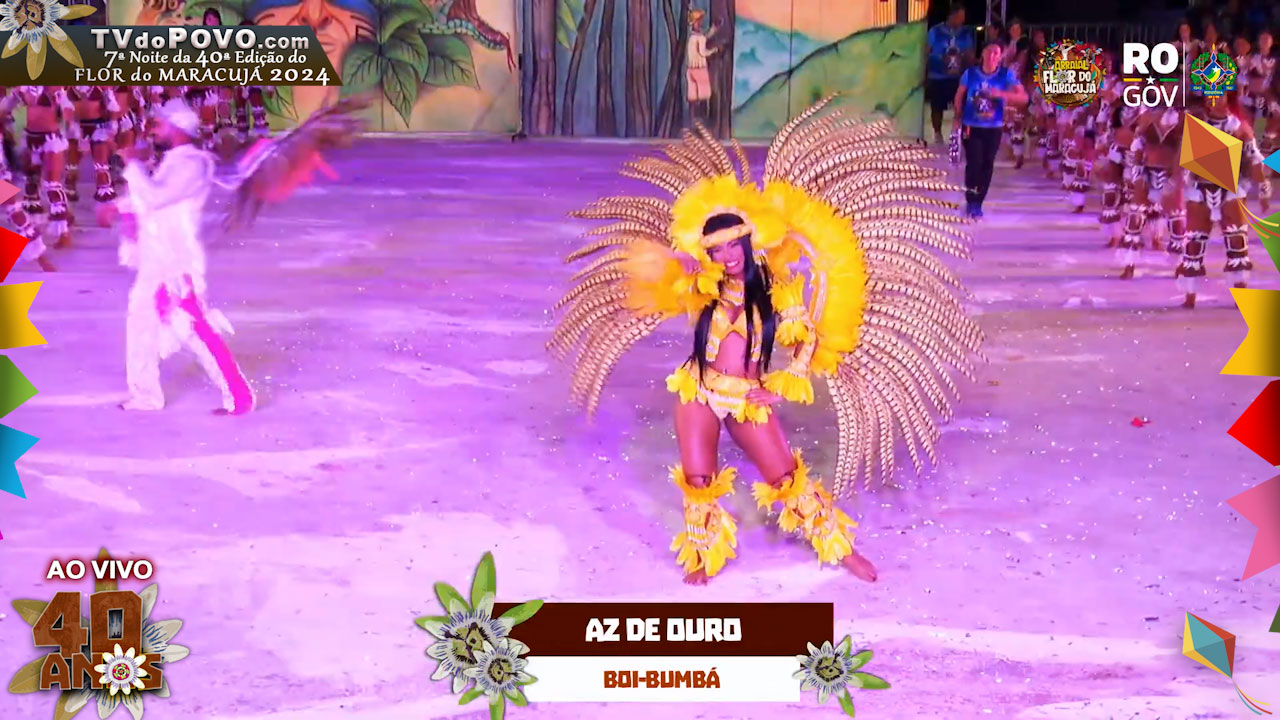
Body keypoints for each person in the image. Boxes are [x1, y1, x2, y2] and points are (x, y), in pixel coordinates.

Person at [552, 99, 982, 586]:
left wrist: (783, 384)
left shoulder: (777, 289)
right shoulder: (704, 283)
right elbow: (647, 272)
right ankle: (702, 553)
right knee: (698, 478)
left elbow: (808, 337)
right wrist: (682, 262)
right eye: (717, 250)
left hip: (746, 398)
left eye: (733, 246)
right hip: (698, 390)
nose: (727, 257)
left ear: (748, 242)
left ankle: (839, 547)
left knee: (785, 477)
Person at [109, 99, 255, 414]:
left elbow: (156, 197)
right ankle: (145, 396)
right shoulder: (174, 161)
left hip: (178, 264)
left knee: (194, 330)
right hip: (155, 260)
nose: (153, 131)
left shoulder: (193, 164)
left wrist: (133, 165)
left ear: (176, 127)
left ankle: (239, 395)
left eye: (159, 124)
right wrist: (120, 207)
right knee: (140, 325)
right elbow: (149, 200)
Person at [1178, 92, 1269, 308]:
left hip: (1231, 189)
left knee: (1236, 241)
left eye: (1220, 96)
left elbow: (1254, 159)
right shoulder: (1194, 123)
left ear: (1228, 98)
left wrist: (1263, 189)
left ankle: (1241, 294)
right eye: (1211, 97)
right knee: (1194, 243)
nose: (1215, 100)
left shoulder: (1240, 127)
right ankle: (1190, 297)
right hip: (1199, 189)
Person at [954, 42, 1028, 218]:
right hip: (971, 125)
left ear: (1000, 57)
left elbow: (1023, 97)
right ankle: (971, 199)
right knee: (974, 162)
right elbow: (959, 95)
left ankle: (978, 201)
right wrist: (957, 116)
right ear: (983, 53)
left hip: (993, 127)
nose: (992, 56)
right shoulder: (970, 73)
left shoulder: (1005, 74)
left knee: (987, 164)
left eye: (996, 53)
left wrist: (1002, 95)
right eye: (989, 51)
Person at [926, 3, 975, 145]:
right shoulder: (935, 31)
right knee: (937, 106)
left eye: (963, 16)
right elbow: (926, 52)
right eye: (960, 16)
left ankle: (960, 132)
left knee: (961, 105)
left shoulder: (965, 33)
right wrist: (925, 71)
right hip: (938, 75)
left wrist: (969, 71)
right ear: (952, 16)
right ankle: (937, 133)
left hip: (958, 78)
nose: (963, 20)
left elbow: (970, 55)